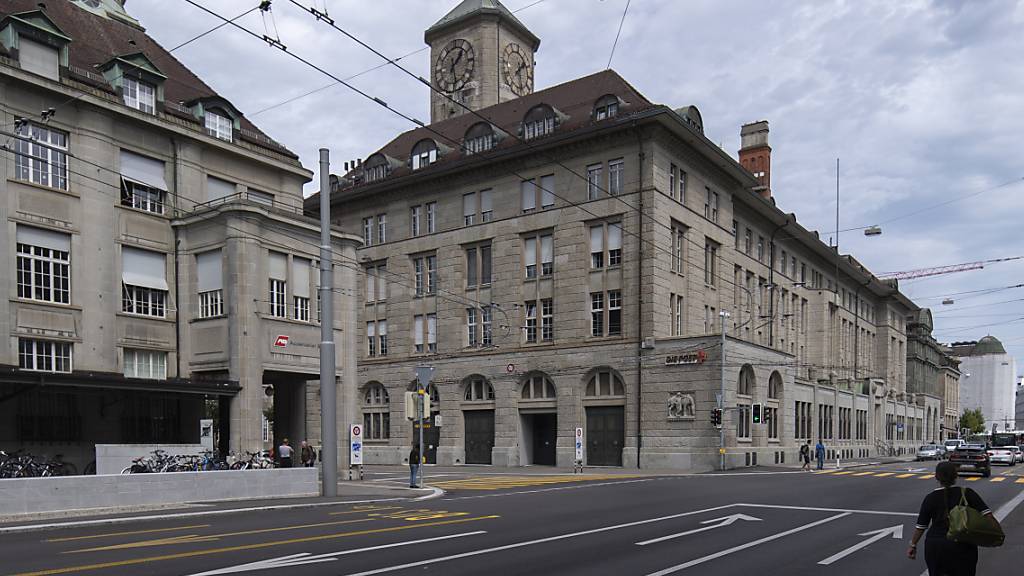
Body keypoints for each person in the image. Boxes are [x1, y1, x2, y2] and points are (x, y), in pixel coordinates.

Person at [908, 461, 1001, 575]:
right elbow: (988, 515)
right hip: (963, 544)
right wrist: (997, 535)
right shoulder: (967, 493)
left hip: (936, 546)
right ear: (956, 475)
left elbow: (921, 527)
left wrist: (913, 545)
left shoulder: (930, 498)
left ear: (936, 477)